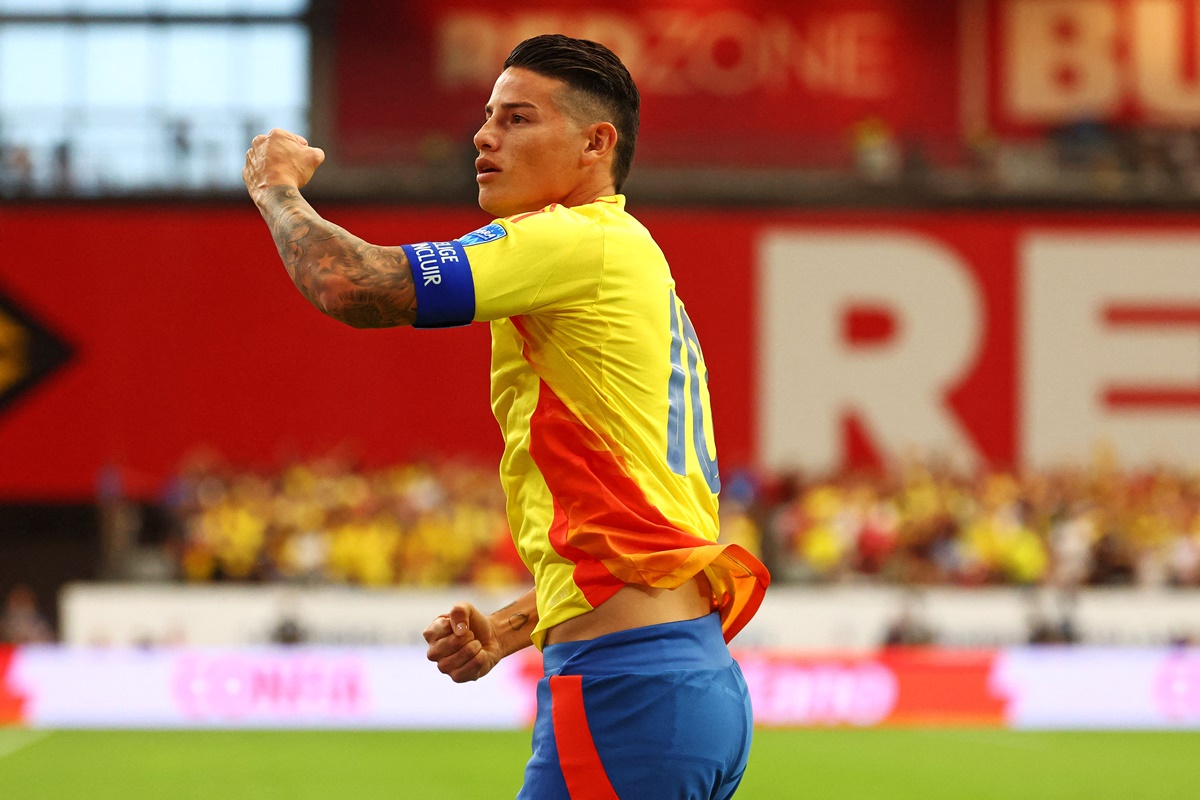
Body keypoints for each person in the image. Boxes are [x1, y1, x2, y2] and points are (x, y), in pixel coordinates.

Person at [244, 33, 770, 799]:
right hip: (687, 681)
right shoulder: (631, 260)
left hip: (630, 691)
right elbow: (642, 542)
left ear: (597, 143)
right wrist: (514, 629)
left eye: (518, 119)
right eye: (487, 117)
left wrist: (274, 188)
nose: (484, 136)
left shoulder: (571, 239)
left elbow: (354, 285)